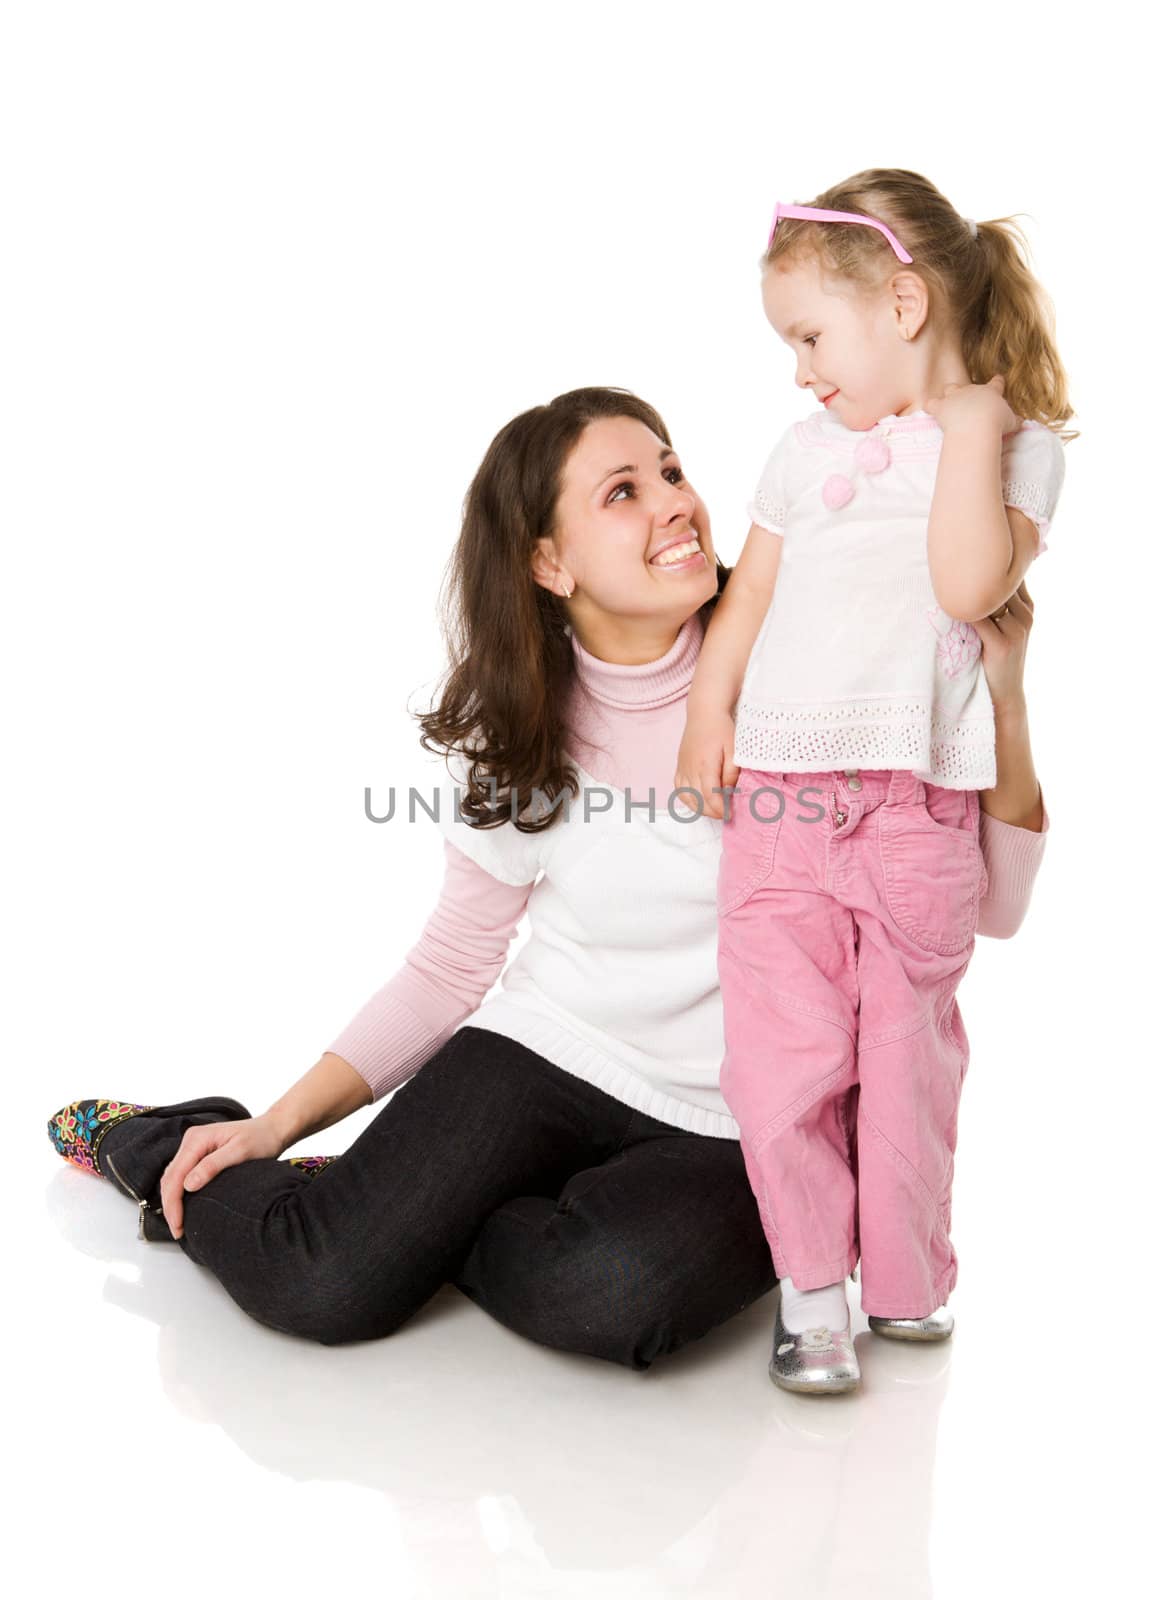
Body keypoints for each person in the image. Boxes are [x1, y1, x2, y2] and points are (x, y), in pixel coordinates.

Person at [46, 385, 1052, 1374]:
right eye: (623, 491)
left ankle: (417, 1212)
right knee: (326, 1284)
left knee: (616, 1291)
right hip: (546, 1053)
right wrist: (275, 1123)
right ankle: (166, 1147)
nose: (675, 502)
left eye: (672, 470)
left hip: (742, 1116)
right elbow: (450, 965)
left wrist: (1002, 703)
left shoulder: (816, 664)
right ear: (548, 562)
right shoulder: (520, 729)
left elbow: (989, 909)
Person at [676, 169, 1073, 1393]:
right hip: (782, 811)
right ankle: (811, 1293)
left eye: (809, 336)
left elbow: (967, 587)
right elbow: (749, 591)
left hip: (916, 811)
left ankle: (904, 1282)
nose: (801, 370)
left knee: (908, 1066)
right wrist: (707, 708)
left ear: (903, 304)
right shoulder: (801, 454)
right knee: (782, 1063)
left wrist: (966, 427)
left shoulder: (1019, 448)